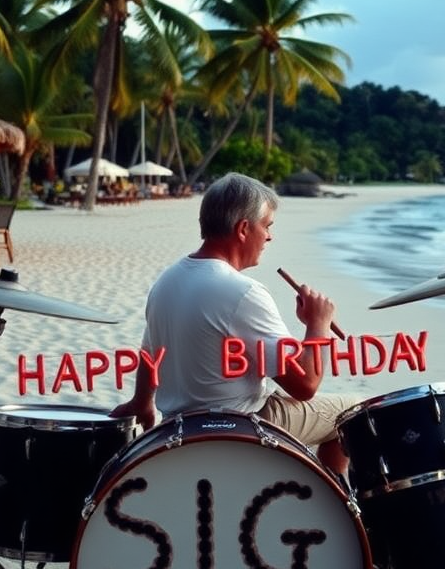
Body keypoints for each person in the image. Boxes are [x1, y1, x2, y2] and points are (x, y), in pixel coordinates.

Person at [111, 172, 355, 474]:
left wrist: (141, 402)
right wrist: (317, 324)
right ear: (243, 228)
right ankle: (337, 506)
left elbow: (150, 354)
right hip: (239, 424)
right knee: (353, 412)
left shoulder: (167, 280)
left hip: (179, 424)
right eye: (266, 226)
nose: (269, 237)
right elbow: (305, 385)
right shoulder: (242, 292)